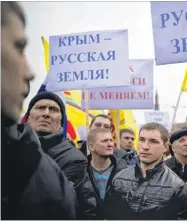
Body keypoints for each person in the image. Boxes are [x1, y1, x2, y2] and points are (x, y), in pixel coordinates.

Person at [1, 2, 76, 219]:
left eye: (53, 109)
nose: (30, 73)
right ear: (29, 114)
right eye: (18, 46)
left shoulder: (49, 173)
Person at [25, 91, 95, 219]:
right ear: (28, 117)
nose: (46, 113)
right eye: (40, 108)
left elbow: (54, 205)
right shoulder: (9, 147)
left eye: (53, 110)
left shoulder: (75, 159)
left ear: (60, 121)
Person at [103, 122, 187, 220]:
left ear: (165, 147)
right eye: (142, 140)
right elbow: (108, 216)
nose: (145, 146)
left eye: (153, 141)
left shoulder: (177, 188)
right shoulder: (119, 178)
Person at [86, 128, 128, 219]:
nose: (110, 144)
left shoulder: (124, 170)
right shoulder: (81, 171)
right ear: (91, 147)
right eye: (104, 141)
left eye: (111, 140)